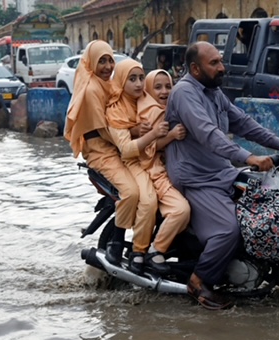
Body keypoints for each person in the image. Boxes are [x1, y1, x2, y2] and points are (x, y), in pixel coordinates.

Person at [164, 41, 279, 310]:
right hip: (196, 178)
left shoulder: (213, 92)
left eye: (220, 61)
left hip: (221, 171)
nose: (222, 67)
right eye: (214, 63)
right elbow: (207, 133)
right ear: (195, 68)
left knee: (261, 209)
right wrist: (248, 158)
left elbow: (243, 123)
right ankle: (199, 281)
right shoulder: (184, 92)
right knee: (231, 228)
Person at [64, 41, 144, 269]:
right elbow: (105, 130)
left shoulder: (105, 84)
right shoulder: (91, 89)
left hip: (116, 147)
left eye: (110, 60)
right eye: (102, 61)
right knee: (130, 192)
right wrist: (133, 133)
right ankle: (117, 241)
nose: (108, 66)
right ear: (90, 62)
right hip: (101, 151)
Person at [104, 59, 165, 274]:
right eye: (132, 79)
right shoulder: (116, 111)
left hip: (155, 158)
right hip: (133, 160)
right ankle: (138, 251)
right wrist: (151, 134)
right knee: (147, 200)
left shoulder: (146, 101)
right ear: (121, 81)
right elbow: (127, 150)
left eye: (141, 78)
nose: (139, 84)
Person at [136, 69, 191, 273]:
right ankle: (155, 251)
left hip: (171, 169)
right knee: (181, 210)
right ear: (148, 89)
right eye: (157, 87)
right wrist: (172, 136)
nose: (164, 91)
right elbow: (150, 147)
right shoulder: (152, 113)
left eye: (168, 86)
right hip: (155, 171)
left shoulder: (169, 110)